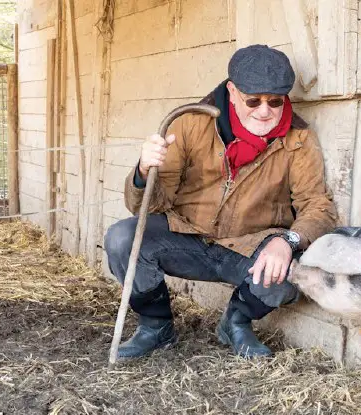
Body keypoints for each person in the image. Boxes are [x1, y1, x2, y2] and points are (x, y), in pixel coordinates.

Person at [104, 44, 338, 360]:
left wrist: (288, 240)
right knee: (122, 238)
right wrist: (144, 171)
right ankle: (156, 326)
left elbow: (317, 205)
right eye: (253, 100)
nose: (265, 110)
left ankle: (236, 322)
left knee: (288, 273)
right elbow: (149, 207)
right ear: (231, 90)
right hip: (185, 236)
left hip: (248, 246)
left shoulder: (298, 139)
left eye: (275, 101)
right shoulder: (190, 123)